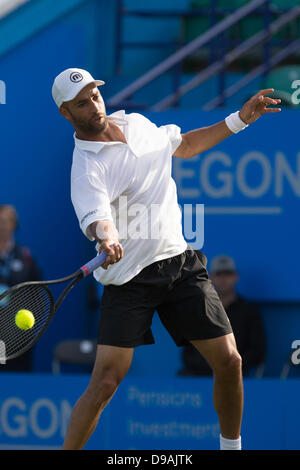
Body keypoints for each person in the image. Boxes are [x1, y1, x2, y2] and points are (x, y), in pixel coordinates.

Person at [52, 67, 281, 450]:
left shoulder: (137, 123)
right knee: (105, 382)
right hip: (129, 281)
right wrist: (106, 238)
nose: (93, 106)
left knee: (230, 361)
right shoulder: (86, 167)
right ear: (65, 112)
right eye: (81, 103)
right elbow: (97, 218)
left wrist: (240, 119)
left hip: (179, 265)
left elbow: (185, 145)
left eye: (94, 95)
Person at [179, 255, 266, 377]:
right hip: (201, 376)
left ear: (236, 277)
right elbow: (188, 352)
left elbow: (258, 352)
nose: (223, 279)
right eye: (219, 274)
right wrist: (210, 366)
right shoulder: (199, 309)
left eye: (228, 274)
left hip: (235, 376)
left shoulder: (249, 311)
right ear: (210, 278)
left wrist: (231, 364)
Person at [0, 205, 41, 371]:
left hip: (18, 338)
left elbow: (37, 294)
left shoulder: (26, 258)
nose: (2, 225)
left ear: (14, 225)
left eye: (6, 221)